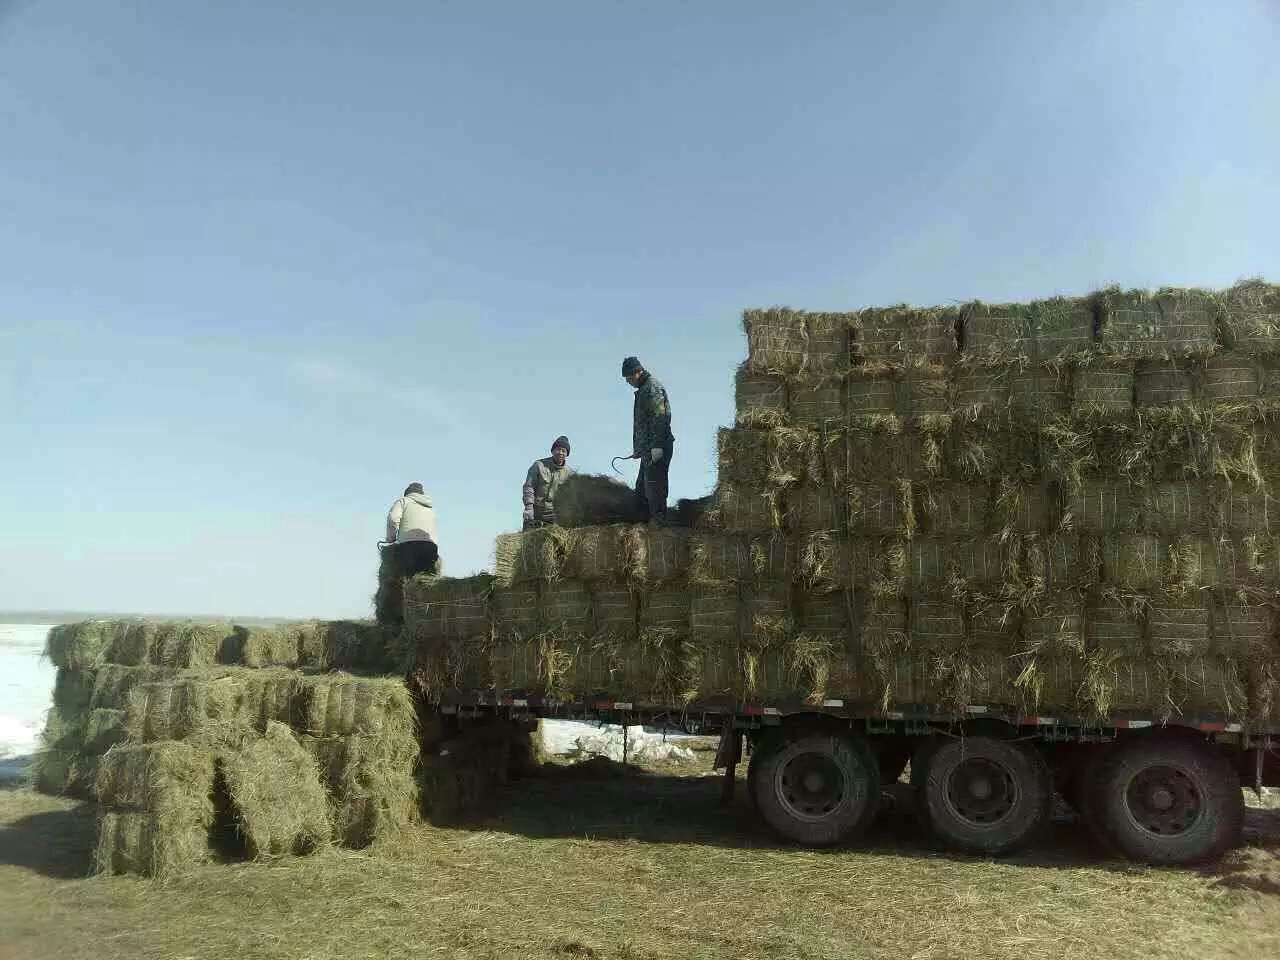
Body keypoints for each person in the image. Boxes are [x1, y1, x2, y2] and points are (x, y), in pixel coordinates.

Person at [622, 356, 674, 520]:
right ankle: (644, 525)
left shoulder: (652, 388)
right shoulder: (644, 390)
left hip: (657, 448)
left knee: (655, 489)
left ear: (637, 372)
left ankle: (659, 525)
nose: (628, 382)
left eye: (629, 378)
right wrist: (640, 450)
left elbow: (660, 418)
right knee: (642, 490)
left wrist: (657, 446)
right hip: (649, 450)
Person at [385, 482, 439, 576]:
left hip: (409, 546)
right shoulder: (430, 507)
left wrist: (391, 538)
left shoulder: (403, 501)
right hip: (431, 547)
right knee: (427, 581)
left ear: (407, 494)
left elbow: (393, 519)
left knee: (407, 579)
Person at [523, 435, 573, 530]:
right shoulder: (539, 465)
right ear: (553, 451)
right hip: (536, 511)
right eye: (558, 449)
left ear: (567, 454)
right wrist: (529, 508)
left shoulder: (569, 474)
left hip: (554, 515)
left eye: (564, 451)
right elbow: (529, 487)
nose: (561, 453)